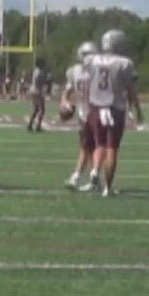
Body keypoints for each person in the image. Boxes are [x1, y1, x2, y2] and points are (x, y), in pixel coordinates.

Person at [84, 29, 143, 197]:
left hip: (95, 107)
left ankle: (95, 171)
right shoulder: (124, 63)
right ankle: (107, 188)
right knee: (112, 149)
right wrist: (137, 109)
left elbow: (88, 83)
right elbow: (131, 89)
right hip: (114, 108)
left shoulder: (91, 60)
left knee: (99, 145)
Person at [61, 40, 98, 191]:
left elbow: (67, 92)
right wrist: (65, 102)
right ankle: (91, 179)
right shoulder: (96, 70)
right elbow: (67, 92)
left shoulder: (75, 71)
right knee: (90, 147)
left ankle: (82, 177)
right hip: (89, 113)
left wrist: (65, 101)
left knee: (91, 147)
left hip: (91, 113)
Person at [26, 57, 51, 132]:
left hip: (33, 90)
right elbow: (40, 81)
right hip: (37, 91)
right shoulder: (39, 71)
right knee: (42, 109)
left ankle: (30, 124)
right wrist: (47, 79)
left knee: (36, 109)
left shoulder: (36, 71)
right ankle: (38, 126)